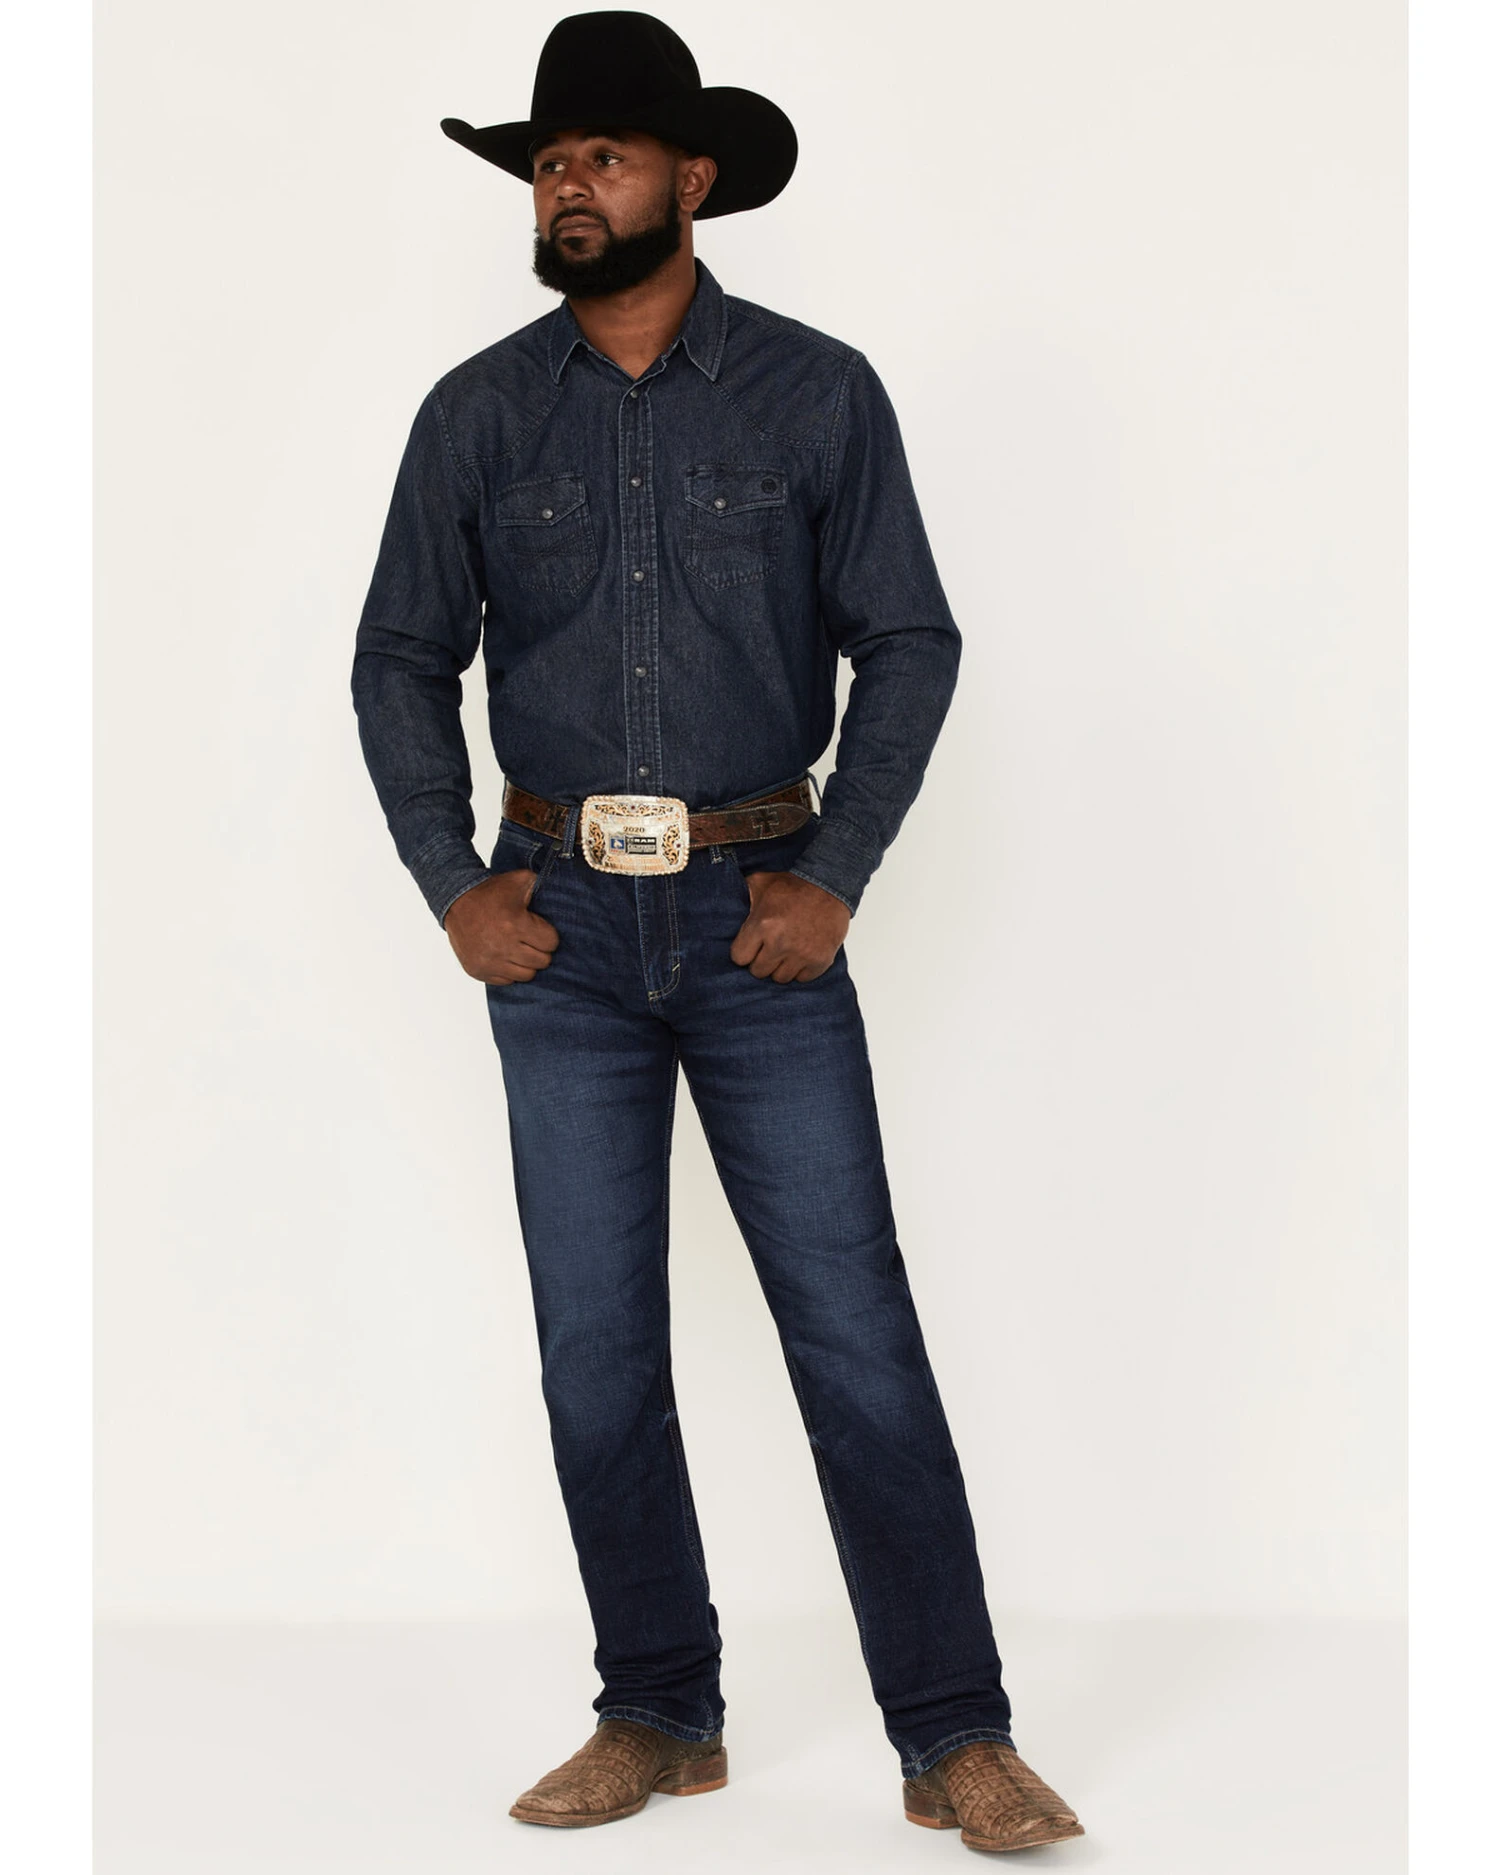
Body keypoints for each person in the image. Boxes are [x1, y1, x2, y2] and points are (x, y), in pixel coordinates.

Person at [351, 10, 1084, 1854]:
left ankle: (955, 1732)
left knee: (854, 1332)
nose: (566, 186)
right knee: (595, 1347)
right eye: (548, 162)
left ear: (692, 179)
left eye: (600, 157)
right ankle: (659, 1707)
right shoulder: (475, 412)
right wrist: (453, 882)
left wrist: (837, 873)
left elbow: (908, 639)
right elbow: (397, 659)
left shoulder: (817, 394)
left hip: (763, 927)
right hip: (560, 936)